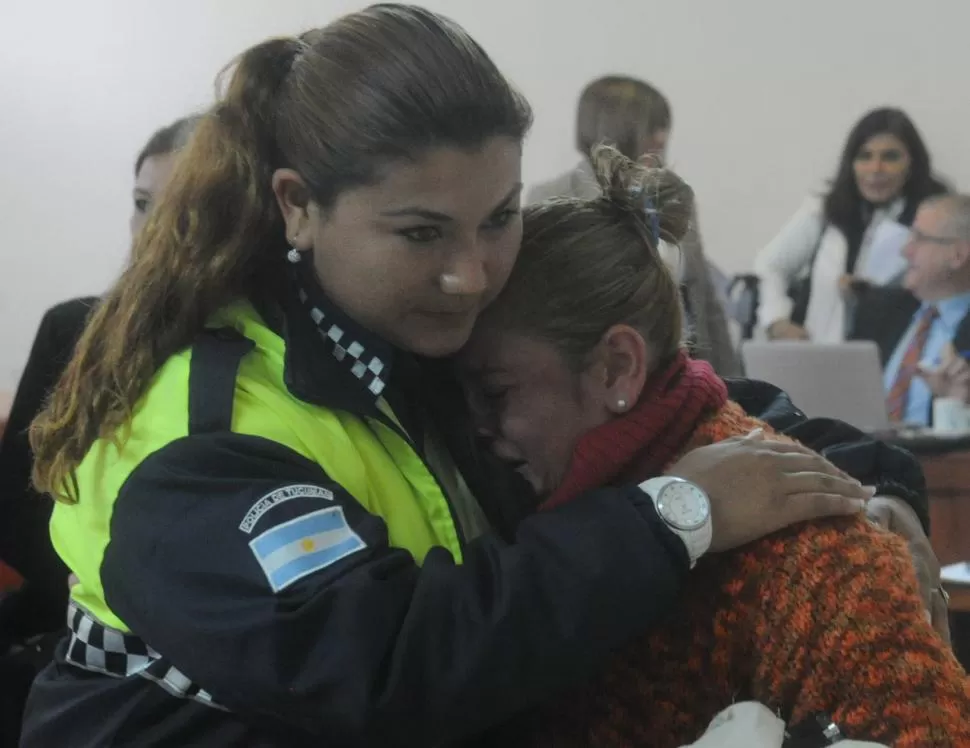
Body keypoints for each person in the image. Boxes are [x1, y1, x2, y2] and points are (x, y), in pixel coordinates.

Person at [18, 8, 917, 747]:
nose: (473, 273)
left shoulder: (400, 328)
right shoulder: (207, 430)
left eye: (498, 218)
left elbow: (663, 402)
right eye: (421, 232)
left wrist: (868, 480)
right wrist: (674, 512)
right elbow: (388, 668)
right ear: (300, 206)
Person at [461, 148, 969, 747]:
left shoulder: (806, 553)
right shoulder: (547, 481)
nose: (474, 428)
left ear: (616, 369)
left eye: (495, 394)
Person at [0, 114, 199, 748]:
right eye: (144, 205)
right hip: (66, 625)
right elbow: (15, 508)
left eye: (186, 209)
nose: (155, 233)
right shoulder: (74, 331)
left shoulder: (262, 357)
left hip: (201, 649)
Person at [527, 75, 740, 376]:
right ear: (615, 127)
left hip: (684, 383)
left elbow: (705, 300)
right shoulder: (552, 199)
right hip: (595, 383)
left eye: (665, 126)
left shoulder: (674, 197)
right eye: (654, 126)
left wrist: (734, 384)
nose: (664, 138)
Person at [755, 107, 947, 343]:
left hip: (903, 357)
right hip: (825, 351)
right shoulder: (824, 209)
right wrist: (777, 320)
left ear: (912, 163)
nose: (876, 169)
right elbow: (770, 265)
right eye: (865, 156)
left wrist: (872, 294)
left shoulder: (934, 218)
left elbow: (946, 285)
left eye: (890, 157)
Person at [850, 194, 970, 426]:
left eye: (919, 238)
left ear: (958, 255)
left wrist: (955, 405)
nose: (905, 251)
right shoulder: (879, 310)